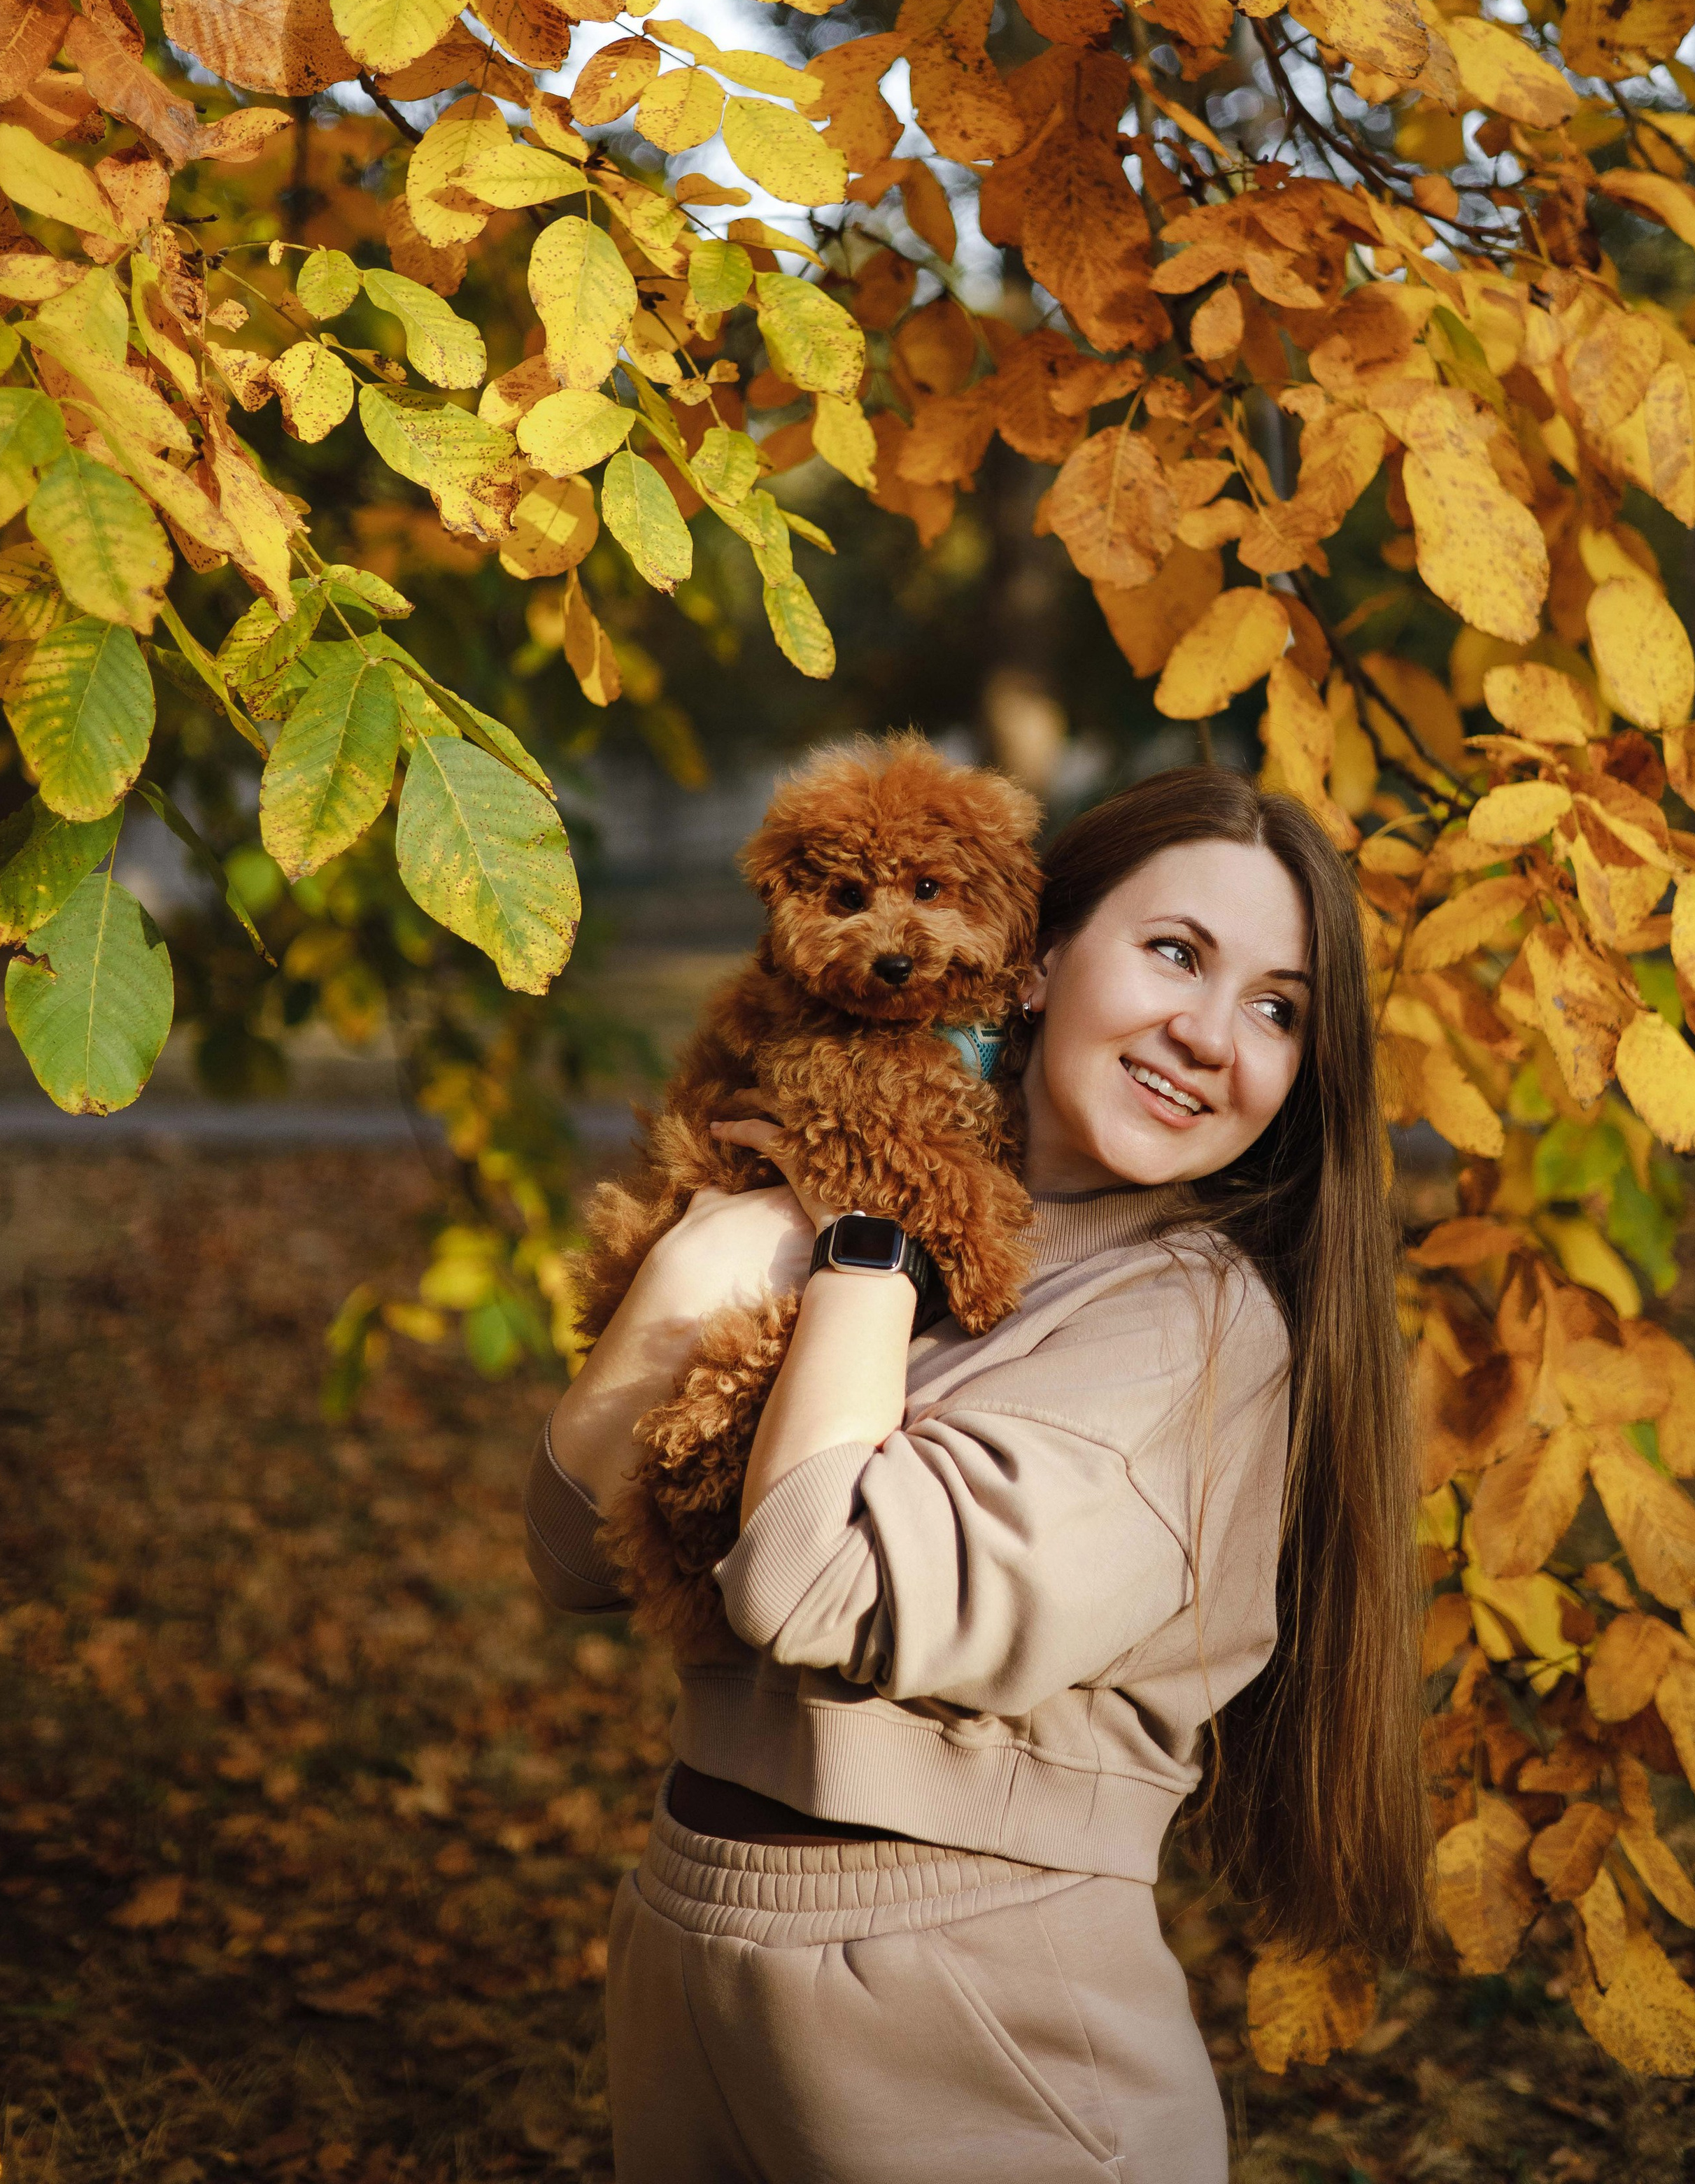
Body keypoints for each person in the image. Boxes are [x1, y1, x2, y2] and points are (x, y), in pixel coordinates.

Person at [525, 765, 1428, 2181]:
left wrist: (861, 1254)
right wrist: (695, 1271)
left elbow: (810, 1585)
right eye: (1175, 954)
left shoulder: (1192, 1324)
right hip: (690, 1945)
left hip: (961, 2004)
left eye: (1276, 1007)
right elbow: (577, 1553)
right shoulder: (883, 1206)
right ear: (1032, 961)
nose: (1207, 1033)